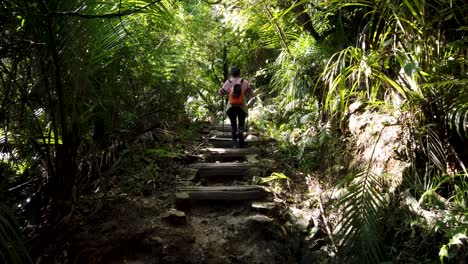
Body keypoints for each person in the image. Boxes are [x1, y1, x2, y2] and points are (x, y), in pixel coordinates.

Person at [219, 66, 253, 148]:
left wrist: (221, 90)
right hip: (241, 106)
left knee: (233, 124)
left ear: (231, 73)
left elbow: (221, 93)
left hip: (231, 107)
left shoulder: (228, 82)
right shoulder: (244, 82)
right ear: (239, 73)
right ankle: (241, 139)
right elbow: (250, 93)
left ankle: (234, 142)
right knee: (241, 123)